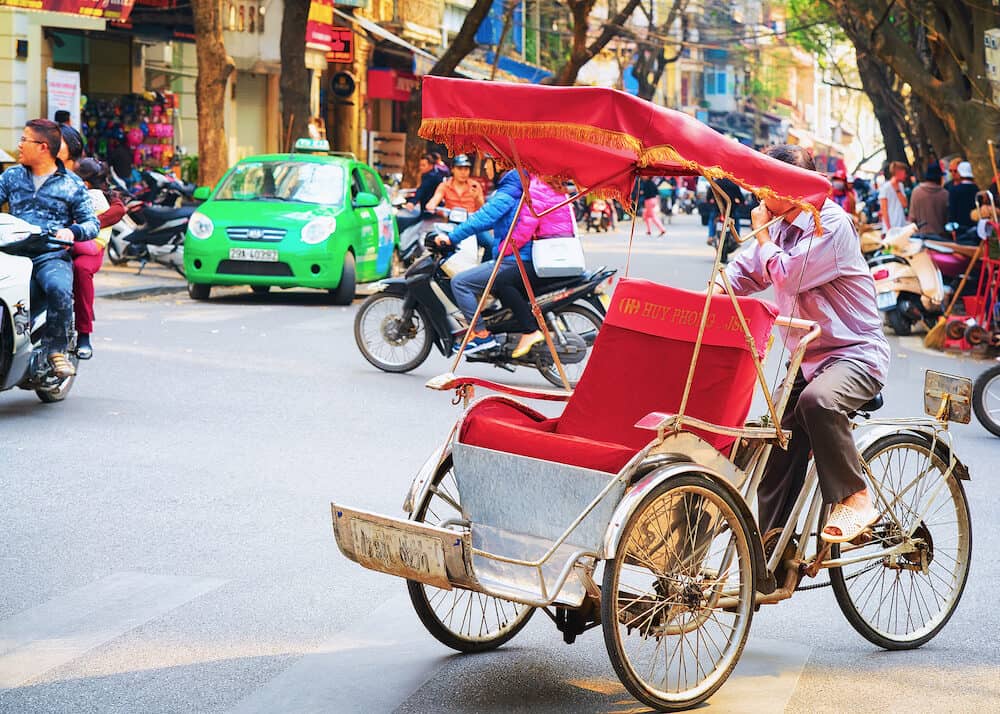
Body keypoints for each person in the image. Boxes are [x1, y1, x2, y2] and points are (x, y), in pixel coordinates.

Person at [716, 144, 890, 544]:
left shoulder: (830, 225)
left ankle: (856, 498)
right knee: (774, 438)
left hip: (855, 355)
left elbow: (787, 275)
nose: (760, 191)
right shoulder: (776, 227)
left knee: (818, 402)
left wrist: (761, 238)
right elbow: (741, 274)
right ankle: (770, 547)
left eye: (768, 182)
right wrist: (711, 294)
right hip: (805, 361)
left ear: (795, 187)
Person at [0, 118, 99, 378]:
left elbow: (92, 224)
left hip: (50, 256)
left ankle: (56, 350)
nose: (19, 145)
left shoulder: (72, 184)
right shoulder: (11, 176)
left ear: (43, 147)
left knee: (58, 289)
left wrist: (72, 231)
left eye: (24, 140)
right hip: (11, 254)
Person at [434, 163, 525, 353]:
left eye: (489, 161)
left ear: (500, 163)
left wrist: (451, 238)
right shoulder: (519, 185)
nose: (484, 167)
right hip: (516, 254)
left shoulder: (508, 191)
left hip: (513, 258)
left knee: (460, 282)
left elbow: (482, 217)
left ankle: (480, 334)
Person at [490, 174, 576, 358]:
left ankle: (530, 330)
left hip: (549, 259)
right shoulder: (560, 189)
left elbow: (525, 228)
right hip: (565, 256)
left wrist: (504, 248)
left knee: (503, 282)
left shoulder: (537, 190)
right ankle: (542, 322)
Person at [72, 158, 126, 359]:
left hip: (89, 244)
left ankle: (84, 333)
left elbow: (119, 209)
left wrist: (89, 224)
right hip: (60, 237)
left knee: (81, 269)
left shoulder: (104, 197)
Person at [908, 164, 948, 238]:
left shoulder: (916, 191)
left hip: (921, 236)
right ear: (939, 178)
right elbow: (947, 218)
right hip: (941, 237)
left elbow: (912, 217)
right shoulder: (944, 194)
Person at [947, 161, 979, 233]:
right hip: (976, 227)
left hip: (960, 229)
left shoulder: (954, 190)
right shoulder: (976, 189)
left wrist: (952, 229)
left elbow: (952, 211)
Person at [878, 161, 909, 231]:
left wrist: (897, 189)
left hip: (901, 225)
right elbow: (884, 211)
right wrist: (889, 229)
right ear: (899, 172)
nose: (905, 175)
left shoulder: (901, 186)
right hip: (891, 227)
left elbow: (905, 204)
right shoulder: (885, 187)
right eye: (904, 172)